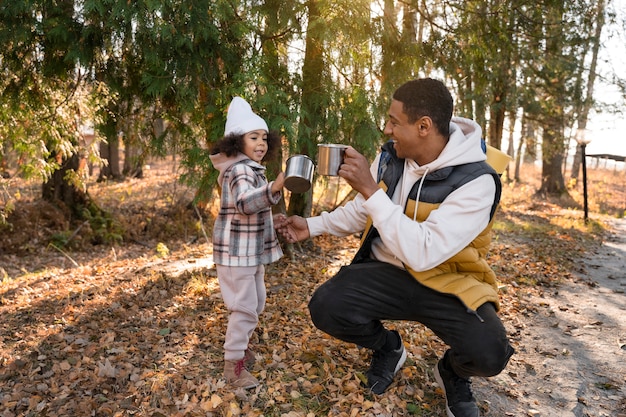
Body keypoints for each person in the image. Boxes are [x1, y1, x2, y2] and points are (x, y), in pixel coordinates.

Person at [275, 78, 514, 417]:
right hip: (387, 273)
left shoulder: (477, 181)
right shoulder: (393, 157)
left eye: (393, 122)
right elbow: (362, 210)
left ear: (423, 126)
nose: (386, 129)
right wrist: (312, 226)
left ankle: (452, 373)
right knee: (326, 306)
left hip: (446, 280)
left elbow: (425, 252)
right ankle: (389, 348)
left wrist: (371, 191)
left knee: (490, 352)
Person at [209, 96, 285, 389]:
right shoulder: (240, 170)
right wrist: (276, 187)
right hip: (236, 254)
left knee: (256, 301)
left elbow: (254, 209)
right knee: (244, 306)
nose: (261, 143)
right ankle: (234, 365)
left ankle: (241, 346)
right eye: (253, 137)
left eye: (264, 138)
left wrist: (271, 220)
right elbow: (244, 203)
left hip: (249, 253)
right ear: (236, 142)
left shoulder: (251, 169)